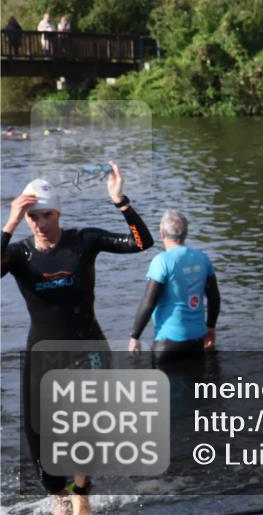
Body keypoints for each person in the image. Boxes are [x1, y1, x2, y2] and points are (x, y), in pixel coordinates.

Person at [1, 163, 153, 515]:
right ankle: (58, 496)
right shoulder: (19, 254)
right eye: (33, 216)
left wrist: (121, 202)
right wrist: (8, 223)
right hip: (43, 353)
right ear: (26, 218)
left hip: (88, 347)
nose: (41, 223)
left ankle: (81, 490)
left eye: (47, 214)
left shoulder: (83, 241)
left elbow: (142, 243)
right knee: (39, 437)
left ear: (59, 212)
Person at [129, 210, 220, 365]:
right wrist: (210, 328)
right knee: (195, 387)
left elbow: (148, 302)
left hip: (168, 341)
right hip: (197, 340)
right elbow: (214, 298)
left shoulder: (162, 261)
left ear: (162, 233)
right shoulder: (202, 258)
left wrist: (135, 336)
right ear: (186, 233)